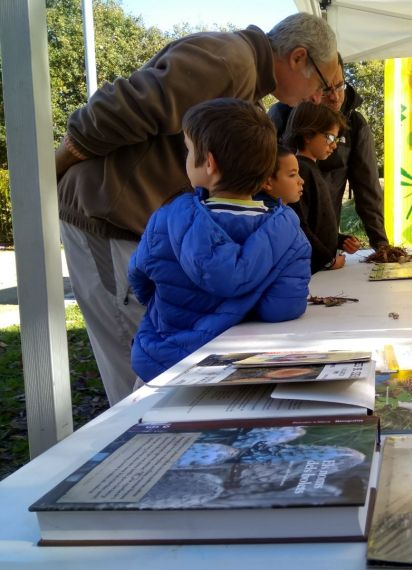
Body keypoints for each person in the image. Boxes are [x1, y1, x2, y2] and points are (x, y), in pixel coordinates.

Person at [54, 13, 338, 405]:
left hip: (133, 222)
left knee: (160, 361)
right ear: (297, 57)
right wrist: (57, 164)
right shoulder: (229, 61)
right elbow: (115, 108)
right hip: (106, 218)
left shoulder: (245, 79)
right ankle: (136, 457)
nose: (320, 97)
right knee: (139, 369)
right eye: (323, 84)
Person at [128, 98, 311, 383]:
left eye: (188, 151)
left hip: (163, 361)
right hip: (239, 369)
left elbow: (140, 279)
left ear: (209, 163)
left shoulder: (165, 220)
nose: (186, 158)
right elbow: (282, 308)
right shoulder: (290, 236)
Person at [269, 55, 390, 251]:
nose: (335, 97)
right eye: (325, 89)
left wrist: (381, 244)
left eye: (340, 85)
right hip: (284, 241)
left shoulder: (355, 124)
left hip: (325, 242)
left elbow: (368, 190)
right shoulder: (280, 115)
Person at [283, 102, 361, 273]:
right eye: (330, 138)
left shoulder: (311, 169)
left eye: (336, 139)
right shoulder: (302, 171)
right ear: (308, 135)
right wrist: (328, 261)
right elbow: (299, 225)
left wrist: (341, 241)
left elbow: (317, 223)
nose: (334, 145)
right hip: (311, 272)